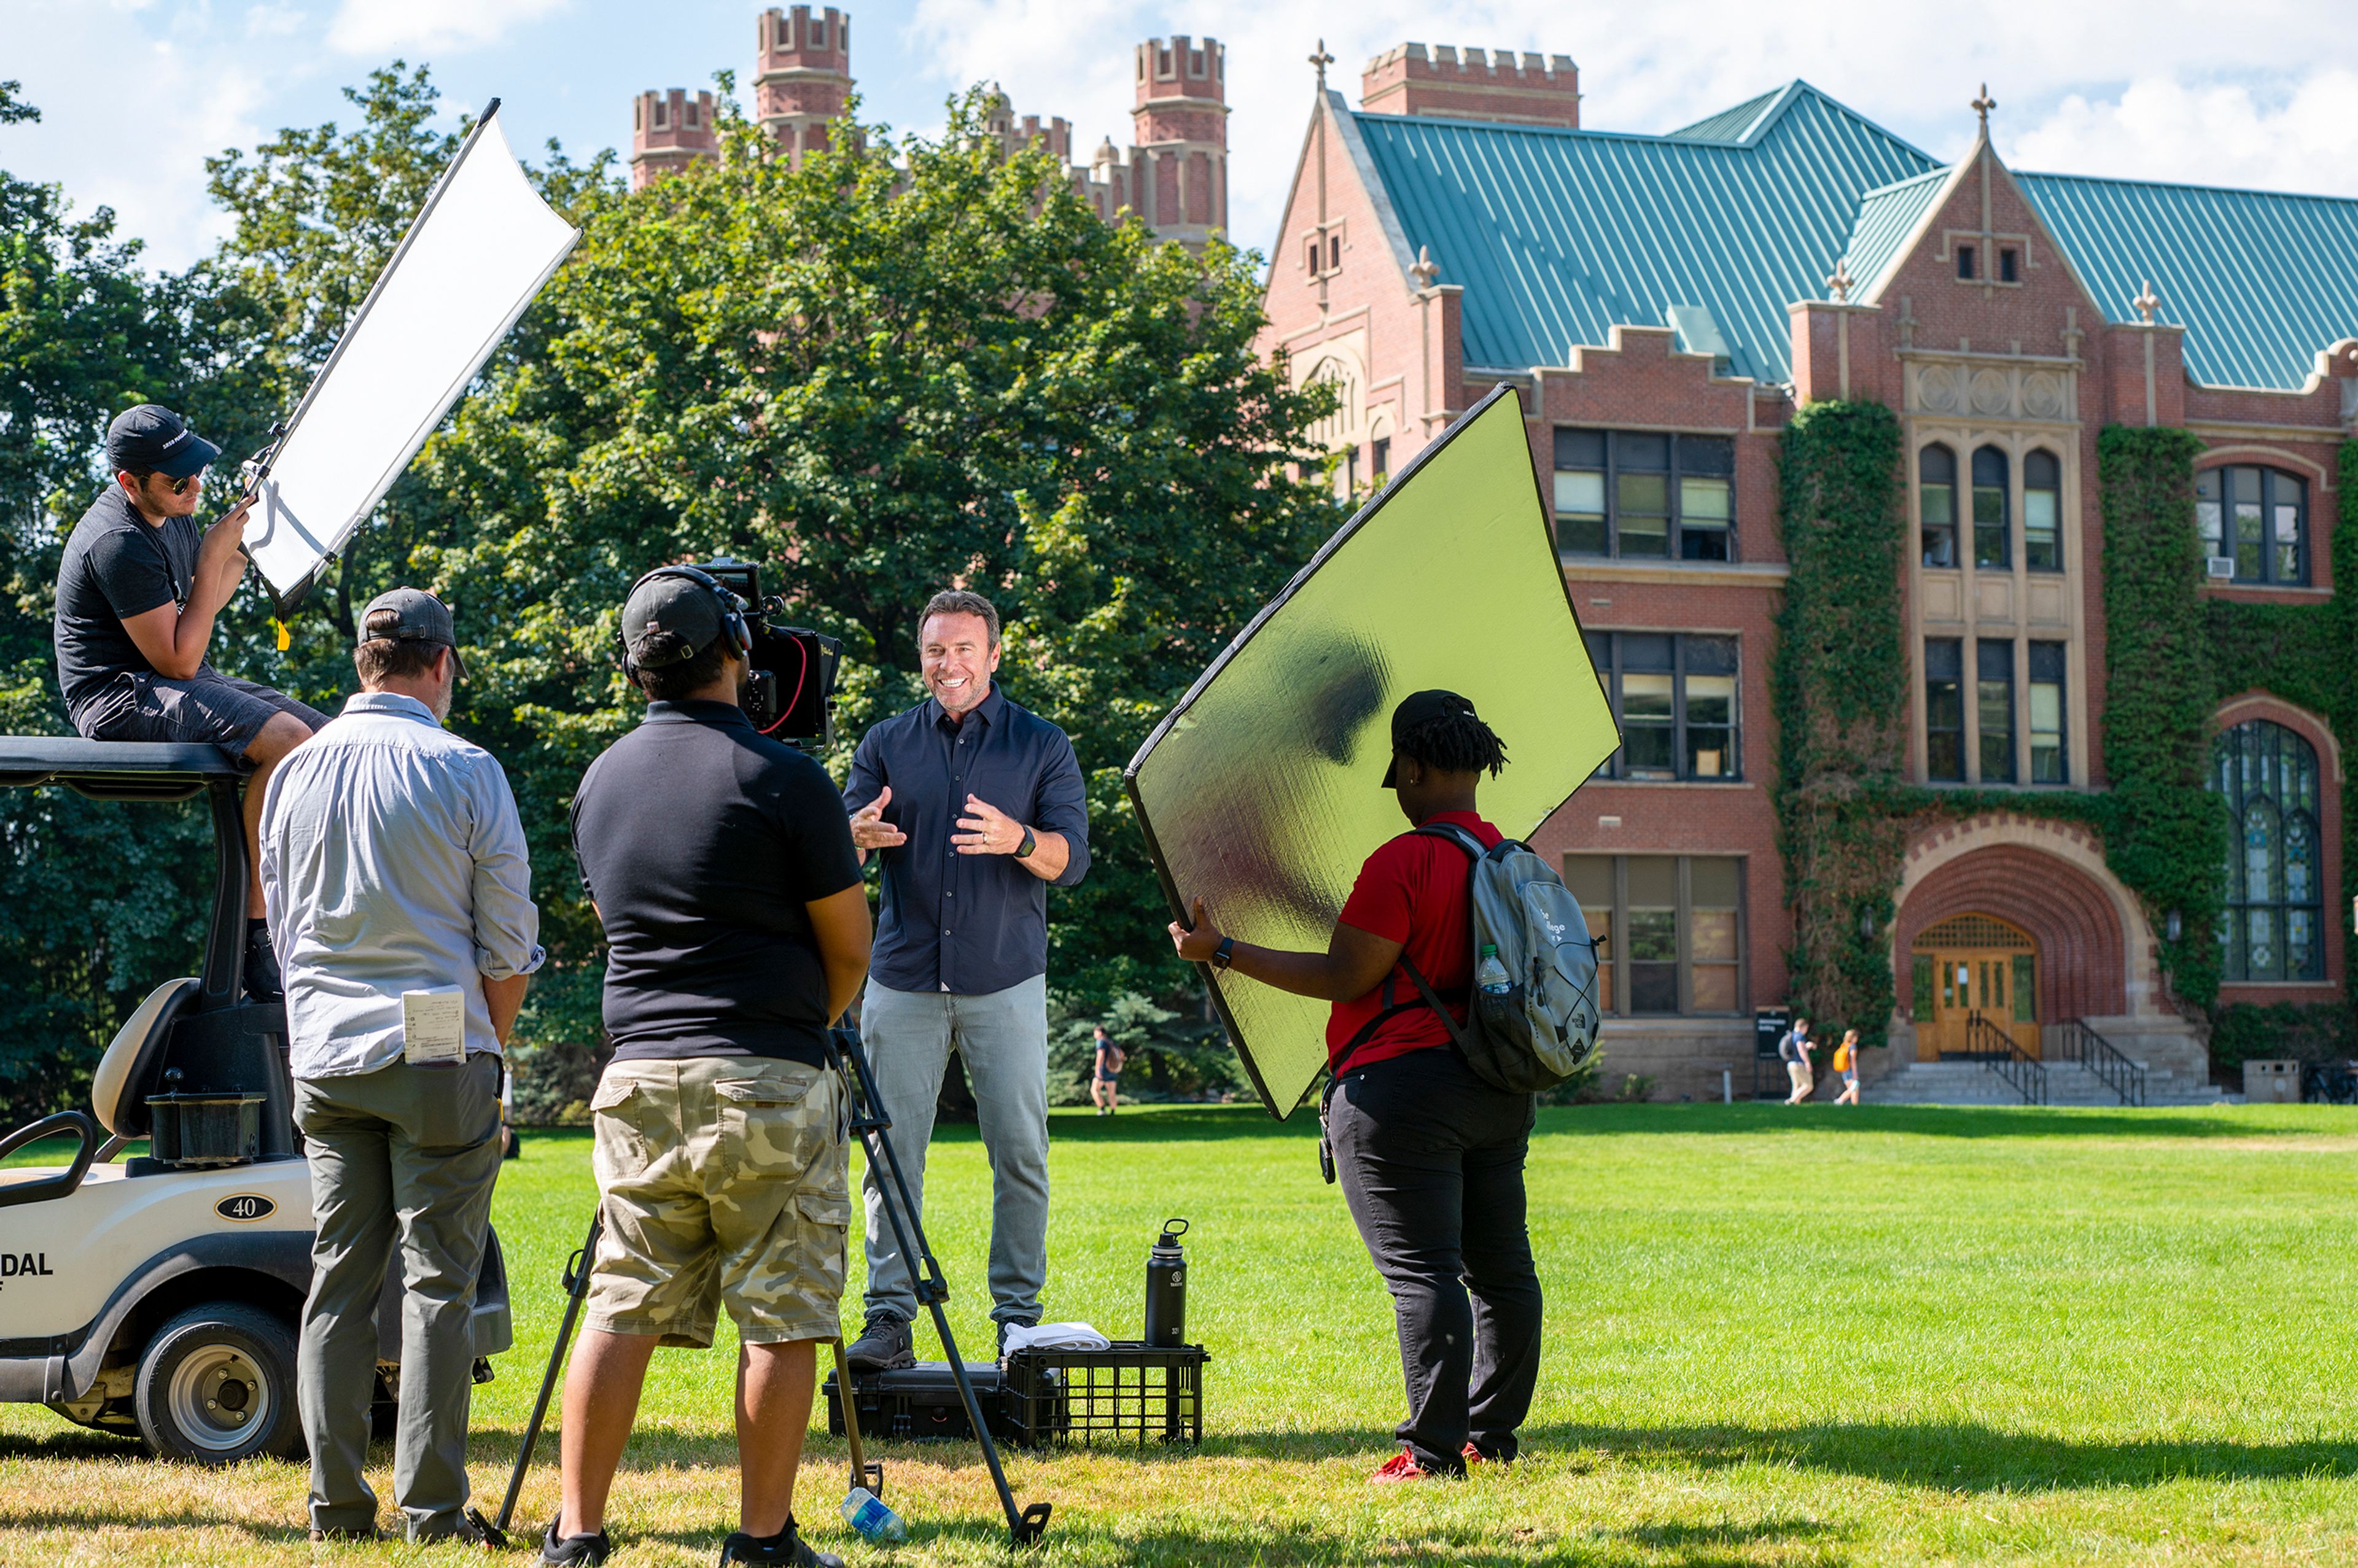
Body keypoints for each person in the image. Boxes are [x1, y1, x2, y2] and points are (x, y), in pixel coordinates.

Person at [553, 566, 871, 1568]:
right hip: (767, 1074)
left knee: (621, 1299)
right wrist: (795, 1031)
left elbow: (618, 923)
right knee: (782, 1315)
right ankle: (763, 1537)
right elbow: (851, 947)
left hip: (637, 1076)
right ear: (737, 647)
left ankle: (579, 1532)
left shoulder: (599, 780)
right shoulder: (786, 779)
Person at [1168, 689, 1541, 1483]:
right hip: (1499, 1085)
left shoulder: (1406, 860)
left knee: (1424, 1272)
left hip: (1402, 1092)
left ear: (1411, 766)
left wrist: (1221, 948)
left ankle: (1432, 1453)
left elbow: (1348, 974)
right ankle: (1491, 1435)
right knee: (1501, 1269)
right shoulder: (1511, 859)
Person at [260, 589, 541, 1543]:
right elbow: (508, 946)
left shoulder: (292, 774)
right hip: (433, 1045)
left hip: (328, 1053)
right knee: (439, 1284)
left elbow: (285, 932)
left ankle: (335, 1507)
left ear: (362, 664)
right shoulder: (466, 767)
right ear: (443, 664)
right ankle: (431, 1508)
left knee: (337, 1280)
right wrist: (486, 1049)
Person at [840, 589, 1090, 1370]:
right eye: (935, 651)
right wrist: (852, 836)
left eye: (963, 649)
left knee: (1019, 1152)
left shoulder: (1041, 745)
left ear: (994, 654)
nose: (948, 665)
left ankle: (1018, 1319)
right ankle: (888, 1319)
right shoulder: (885, 742)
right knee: (889, 1153)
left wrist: (1020, 837)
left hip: (1004, 978)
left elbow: (1072, 861)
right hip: (904, 978)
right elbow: (838, 854)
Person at [57, 404, 329, 999]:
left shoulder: (172, 510)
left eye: (197, 470)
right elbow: (176, 658)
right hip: (116, 695)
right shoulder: (118, 541)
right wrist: (210, 560)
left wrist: (252, 542)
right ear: (130, 482)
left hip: (172, 675)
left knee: (334, 743)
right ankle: (260, 933)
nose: (195, 487)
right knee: (286, 743)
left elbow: (214, 592)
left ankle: (322, 913)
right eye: (178, 479)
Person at [1780, 1016, 1815, 1104]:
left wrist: (1807, 1046)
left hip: (1791, 1064)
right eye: (1806, 1028)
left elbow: (1797, 1049)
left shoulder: (1791, 1035)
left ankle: (1795, 1107)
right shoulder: (1800, 1036)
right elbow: (1801, 1050)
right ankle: (1791, 1101)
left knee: (1797, 1086)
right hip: (1798, 1064)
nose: (1806, 1030)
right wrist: (1808, 1063)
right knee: (1808, 1085)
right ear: (1803, 1027)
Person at [1091, 1024, 1124, 1116]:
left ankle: (1102, 1109)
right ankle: (1113, 1111)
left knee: (1094, 1089)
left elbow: (1100, 1055)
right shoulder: (1111, 1042)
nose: (1094, 1035)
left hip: (1103, 1070)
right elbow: (1122, 1054)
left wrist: (1097, 1068)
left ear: (1100, 1033)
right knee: (1112, 1093)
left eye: (1095, 1033)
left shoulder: (1101, 1042)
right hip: (1113, 1070)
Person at [1832, 1027, 1862, 1104]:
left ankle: (1852, 1106)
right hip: (1850, 1071)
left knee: (1852, 1089)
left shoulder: (1844, 1046)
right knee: (1854, 1089)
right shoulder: (1853, 1047)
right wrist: (1855, 1074)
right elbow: (1853, 1061)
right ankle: (1840, 1101)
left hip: (1844, 1070)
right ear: (1854, 1037)